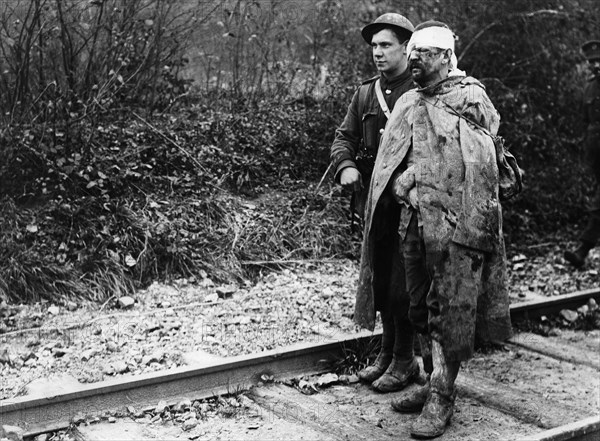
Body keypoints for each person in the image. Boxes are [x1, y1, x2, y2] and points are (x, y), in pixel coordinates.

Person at [362, 21, 513, 438]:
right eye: (411, 54)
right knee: (418, 307)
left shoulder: (470, 98)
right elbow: (390, 160)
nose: (413, 61)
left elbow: (478, 162)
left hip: (456, 228)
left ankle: (443, 395)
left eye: (422, 55)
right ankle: (429, 380)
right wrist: (399, 183)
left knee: (450, 312)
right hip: (414, 223)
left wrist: (419, 175)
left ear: (446, 57)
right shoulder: (410, 101)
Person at [330, 13, 420, 392]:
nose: (378, 53)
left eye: (386, 45)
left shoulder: (419, 92)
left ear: (405, 48)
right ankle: (386, 352)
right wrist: (346, 166)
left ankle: (405, 359)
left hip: (409, 206)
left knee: (405, 284)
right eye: (374, 47)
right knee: (380, 278)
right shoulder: (366, 93)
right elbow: (343, 138)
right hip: (374, 206)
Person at [564, 40, 600, 268]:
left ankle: (583, 249)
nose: (595, 65)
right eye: (591, 62)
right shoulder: (589, 87)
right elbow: (587, 122)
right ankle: (582, 250)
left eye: (598, 60)